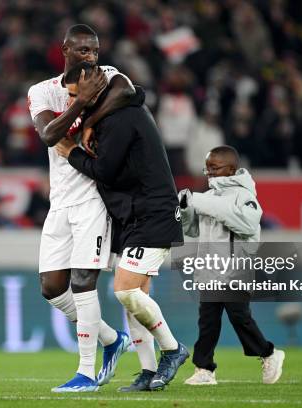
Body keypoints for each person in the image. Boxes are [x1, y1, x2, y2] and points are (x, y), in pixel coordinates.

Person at [56, 62, 188, 392]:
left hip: (151, 212)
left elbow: (107, 171)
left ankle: (172, 349)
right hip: (132, 214)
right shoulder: (113, 114)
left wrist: (71, 152)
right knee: (134, 297)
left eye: (76, 95)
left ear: (92, 91)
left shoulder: (121, 119)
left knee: (125, 290)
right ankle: (147, 370)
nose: (74, 101)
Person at [27, 24, 136, 392]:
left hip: (94, 196)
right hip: (60, 200)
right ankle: (112, 339)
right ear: (65, 50)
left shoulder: (109, 77)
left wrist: (88, 113)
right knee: (52, 287)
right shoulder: (41, 91)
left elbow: (129, 92)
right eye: (83, 50)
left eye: (95, 50)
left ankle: (87, 374)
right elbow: (48, 135)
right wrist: (80, 102)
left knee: (83, 282)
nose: (91, 56)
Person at [177, 146, 285, 385]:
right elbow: (192, 230)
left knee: (240, 318)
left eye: (214, 167)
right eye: (207, 167)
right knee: (207, 322)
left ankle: (269, 353)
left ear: (232, 169)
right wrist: (186, 210)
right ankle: (204, 369)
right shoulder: (207, 196)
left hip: (236, 268)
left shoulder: (245, 196)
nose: (209, 172)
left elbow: (246, 226)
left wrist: (200, 202)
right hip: (209, 269)